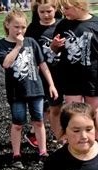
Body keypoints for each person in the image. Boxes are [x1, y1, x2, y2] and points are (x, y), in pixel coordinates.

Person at [0, 8, 58, 169]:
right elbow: (6, 64)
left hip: (35, 89)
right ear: (7, 25)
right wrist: (17, 46)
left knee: (39, 121)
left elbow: (42, 65)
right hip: (16, 92)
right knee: (18, 124)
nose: (20, 30)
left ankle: (43, 152)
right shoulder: (1, 44)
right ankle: (16, 154)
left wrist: (51, 84)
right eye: (16, 27)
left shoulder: (31, 42)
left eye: (23, 27)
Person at [51, 0, 98, 140]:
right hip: (70, 76)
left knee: (93, 110)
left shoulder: (97, 25)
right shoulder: (63, 24)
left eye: (67, 8)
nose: (64, 11)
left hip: (92, 77)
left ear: (79, 6)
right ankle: (72, 142)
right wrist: (54, 46)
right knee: (72, 110)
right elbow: (55, 50)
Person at [25, 0, 64, 149]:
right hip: (44, 75)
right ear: (37, 12)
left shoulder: (62, 24)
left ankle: (35, 132)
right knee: (54, 107)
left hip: (63, 72)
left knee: (52, 106)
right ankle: (59, 138)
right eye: (42, 12)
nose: (46, 15)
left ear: (55, 9)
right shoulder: (33, 29)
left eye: (49, 11)